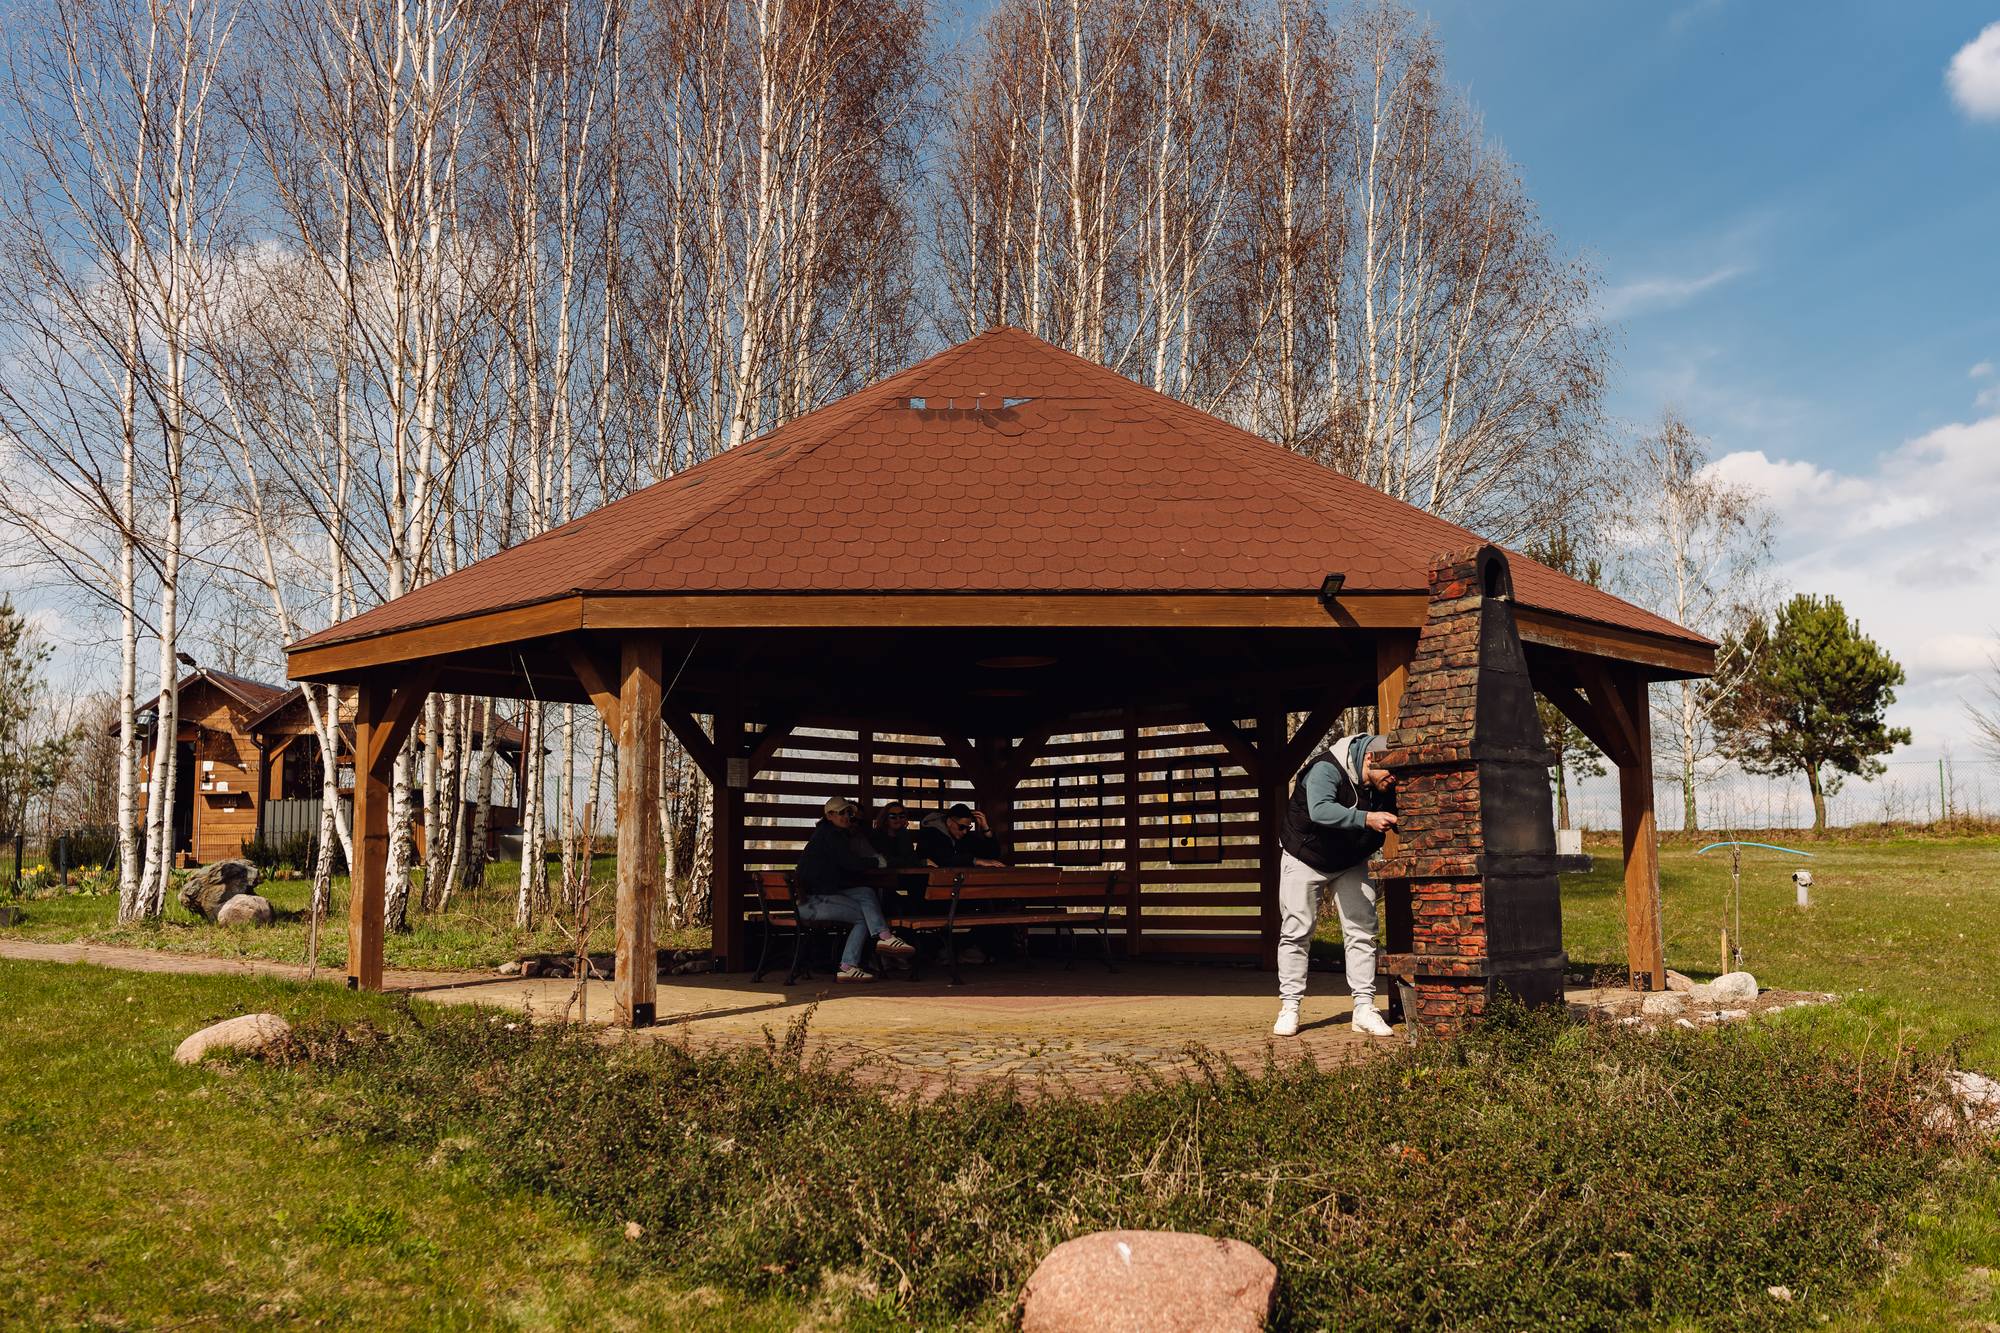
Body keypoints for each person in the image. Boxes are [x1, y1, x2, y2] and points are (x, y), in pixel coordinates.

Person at [1273, 733, 1398, 1038]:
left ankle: (1364, 1009)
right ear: (1370, 759)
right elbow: (1320, 809)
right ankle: (1289, 1007)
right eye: (1390, 770)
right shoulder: (1326, 769)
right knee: (1297, 931)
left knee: (1363, 931)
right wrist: (1367, 818)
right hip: (1305, 855)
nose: (1394, 778)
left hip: (1350, 860)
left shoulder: (1385, 783)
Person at [795, 796, 914, 982]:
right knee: (862, 916)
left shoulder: (832, 833)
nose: (846, 817)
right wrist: (877, 862)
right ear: (829, 815)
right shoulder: (831, 835)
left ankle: (885, 937)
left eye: (848, 813)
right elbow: (849, 863)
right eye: (841, 813)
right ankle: (848, 966)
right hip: (813, 901)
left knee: (866, 892)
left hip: (823, 894)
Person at [917, 803, 1006, 868]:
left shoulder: (964, 836)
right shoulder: (930, 834)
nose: (964, 831)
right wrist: (975, 861)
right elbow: (943, 859)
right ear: (949, 822)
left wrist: (986, 829)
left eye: (968, 828)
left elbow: (993, 854)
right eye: (962, 827)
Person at [866, 801, 926, 869]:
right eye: (893, 816)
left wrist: (903, 832)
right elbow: (883, 861)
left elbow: (912, 860)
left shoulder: (904, 835)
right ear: (886, 819)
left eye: (901, 816)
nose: (898, 819)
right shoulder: (876, 836)